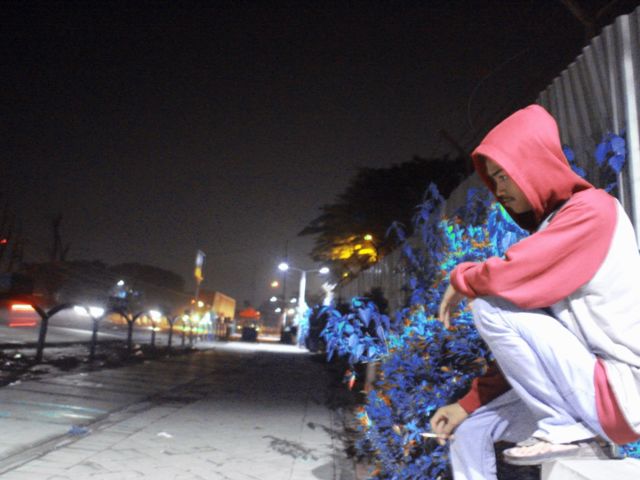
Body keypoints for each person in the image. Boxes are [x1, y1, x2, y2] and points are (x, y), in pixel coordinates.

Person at [430, 104, 640, 479]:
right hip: (588, 386)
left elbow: (509, 275)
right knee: (471, 432)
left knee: (488, 306)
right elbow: (529, 353)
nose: (499, 190)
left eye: (503, 176)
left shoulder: (593, 211)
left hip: (621, 392)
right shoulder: (555, 225)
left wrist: (461, 278)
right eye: (492, 180)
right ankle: (567, 427)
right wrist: (467, 405)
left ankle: (566, 428)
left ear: (532, 165)